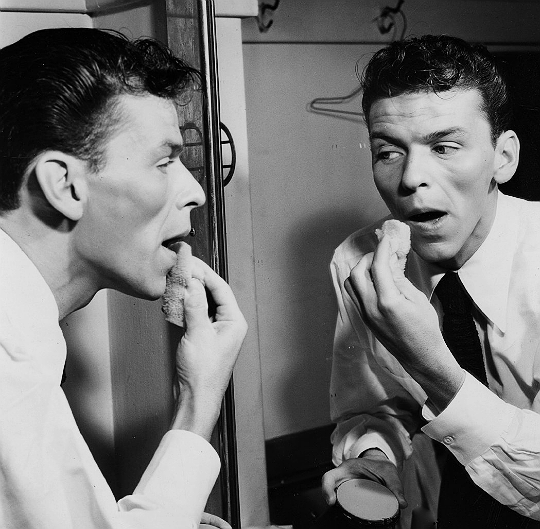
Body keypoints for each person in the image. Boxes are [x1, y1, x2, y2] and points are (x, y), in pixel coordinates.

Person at [0, 28, 248, 528]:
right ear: (65, 185)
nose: (197, 192)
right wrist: (198, 401)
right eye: (164, 162)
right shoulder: (12, 367)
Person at [321, 35, 540, 528]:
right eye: (388, 152)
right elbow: (378, 406)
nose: (411, 178)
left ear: (503, 158)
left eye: (445, 146)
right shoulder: (359, 261)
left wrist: (435, 367)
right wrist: (376, 457)